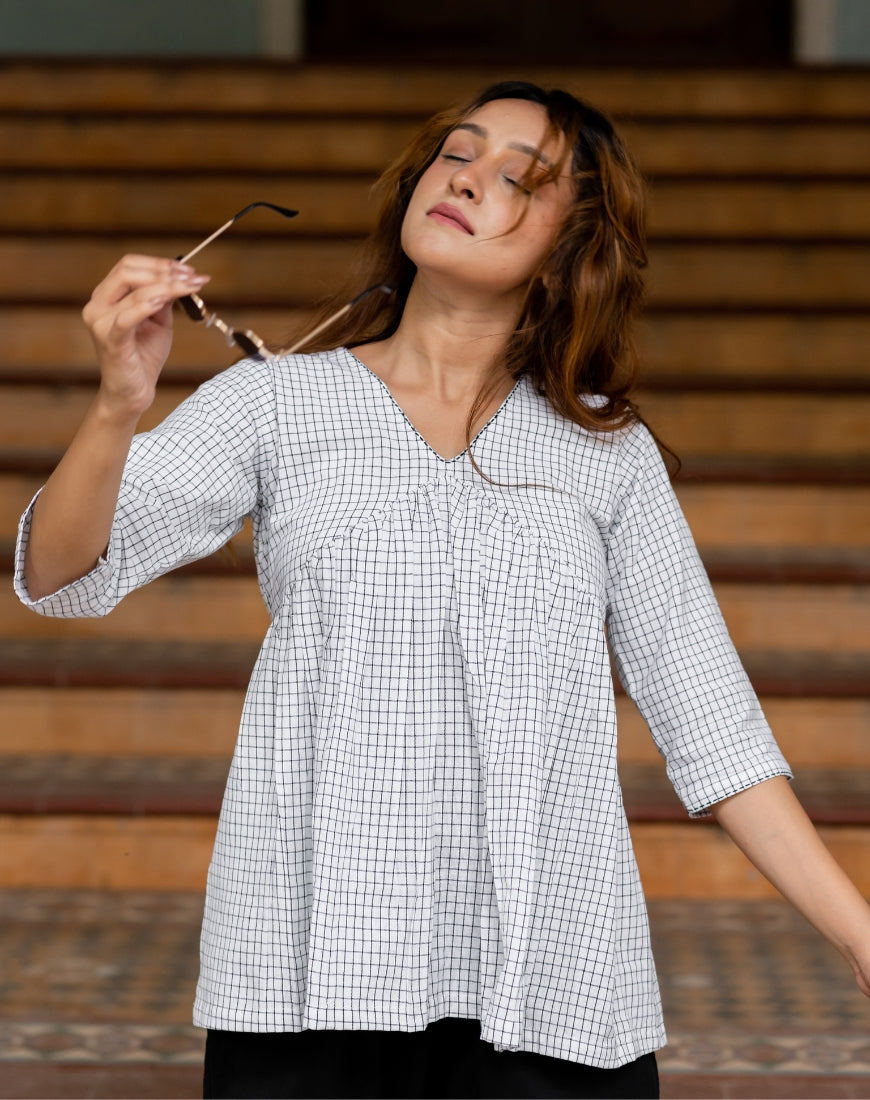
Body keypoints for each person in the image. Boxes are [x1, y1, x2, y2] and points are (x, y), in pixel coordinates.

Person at [14, 80, 870, 1100]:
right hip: (308, 974)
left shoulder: (607, 453)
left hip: (551, 984)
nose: (465, 178)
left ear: (565, 254)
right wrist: (117, 405)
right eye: (457, 153)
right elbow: (60, 570)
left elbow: (714, 727)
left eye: (519, 178)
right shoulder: (276, 403)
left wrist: (862, 938)